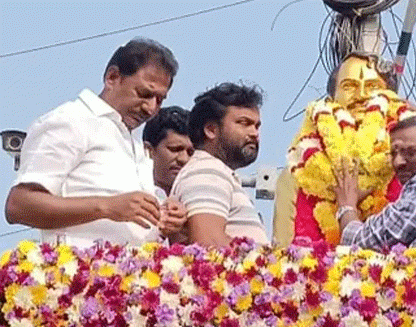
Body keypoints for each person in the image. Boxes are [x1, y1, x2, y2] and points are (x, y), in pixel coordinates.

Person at [5, 37, 186, 247]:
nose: (151, 108)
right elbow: (19, 205)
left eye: (160, 100)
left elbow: (131, 215)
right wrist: (107, 207)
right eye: (144, 94)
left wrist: (164, 215)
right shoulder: (71, 120)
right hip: (77, 265)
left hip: (133, 266)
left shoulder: (133, 143)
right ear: (112, 77)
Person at [272, 52, 410, 247]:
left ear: (391, 98)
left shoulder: (410, 165)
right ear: (332, 99)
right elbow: (282, 253)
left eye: (373, 87)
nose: (361, 96)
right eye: (349, 86)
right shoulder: (299, 173)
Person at [333, 115, 416, 250]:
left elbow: (361, 242)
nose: (397, 163)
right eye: (393, 154)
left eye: (410, 152)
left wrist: (346, 206)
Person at [171, 82, 269, 247]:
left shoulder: (217, 172)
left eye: (256, 126)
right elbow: (208, 243)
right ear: (211, 130)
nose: (254, 133)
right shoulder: (207, 171)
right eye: (244, 123)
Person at [143, 106, 194, 197]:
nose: (184, 159)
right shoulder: (127, 192)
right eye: (175, 149)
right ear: (149, 150)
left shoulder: (202, 198)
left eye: (190, 153)